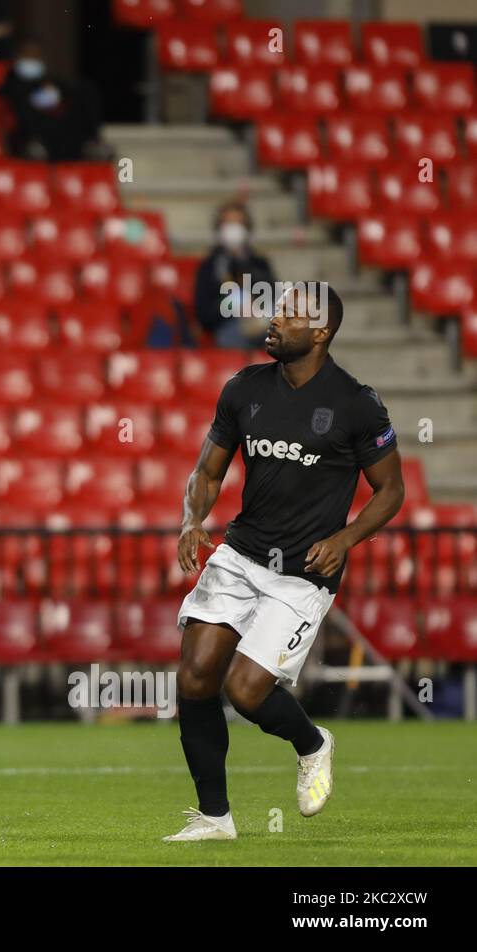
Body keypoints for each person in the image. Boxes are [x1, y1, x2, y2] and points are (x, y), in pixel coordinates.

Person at [168, 283, 405, 841]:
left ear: (321, 332)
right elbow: (208, 472)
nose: (275, 318)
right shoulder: (244, 389)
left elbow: (390, 491)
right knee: (197, 675)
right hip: (241, 552)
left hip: (303, 572)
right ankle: (214, 819)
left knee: (246, 691)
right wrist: (191, 520)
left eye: (292, 314)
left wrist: (346, 539)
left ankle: (314, 743)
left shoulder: (356, 403)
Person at [0, 39, 102, 162]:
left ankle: (88, 143)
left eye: (35, 56)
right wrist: (34, 98)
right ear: (17, 58)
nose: (31, 60)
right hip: (30, 135)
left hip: (58, 129)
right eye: (27, 55)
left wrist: (54, 94)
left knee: (86, 90)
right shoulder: (11, 84)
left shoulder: (49, 81)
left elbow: (68, 93)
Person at [193, 201, 278, 348]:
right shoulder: (209, 267)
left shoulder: (259, 264)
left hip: (263, 324)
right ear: (219, 229)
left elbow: (276, 299)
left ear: (246, 228)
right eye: (228, 223)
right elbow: (204, 314)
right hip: (229, 328)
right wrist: (233, 304)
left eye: (238, 223)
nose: (233, 229)